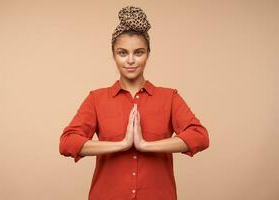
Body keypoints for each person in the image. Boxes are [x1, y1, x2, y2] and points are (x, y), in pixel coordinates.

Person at [59, 5, 209, 200]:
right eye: (123, 53)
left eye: (138, 52)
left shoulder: (169, 97)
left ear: (148, 54)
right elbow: (67, 143)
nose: (130, 60)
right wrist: (122, 144)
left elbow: (200, 137)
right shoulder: (96, 98)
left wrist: (145, 145)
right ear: (113, 55)